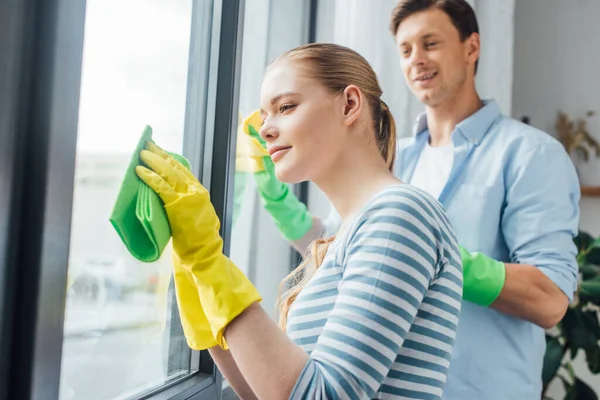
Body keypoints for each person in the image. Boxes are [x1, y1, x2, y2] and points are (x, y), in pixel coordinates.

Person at [249, 1, 581, 399]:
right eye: (405, 50)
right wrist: (281, 207)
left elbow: (550, 301)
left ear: (471, 47)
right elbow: (341, 251)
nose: (416, 59)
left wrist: (437, 256)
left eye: (430, 43)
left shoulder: (529, 154)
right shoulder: (394, 157)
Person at [136, 43, 463, 399]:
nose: (265, 131)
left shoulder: (400, 215)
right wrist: (195, 269)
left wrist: (207, 258)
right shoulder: (346, 232)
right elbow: (262, 392)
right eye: (263, 118)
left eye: (286, 107)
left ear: (349, 105)